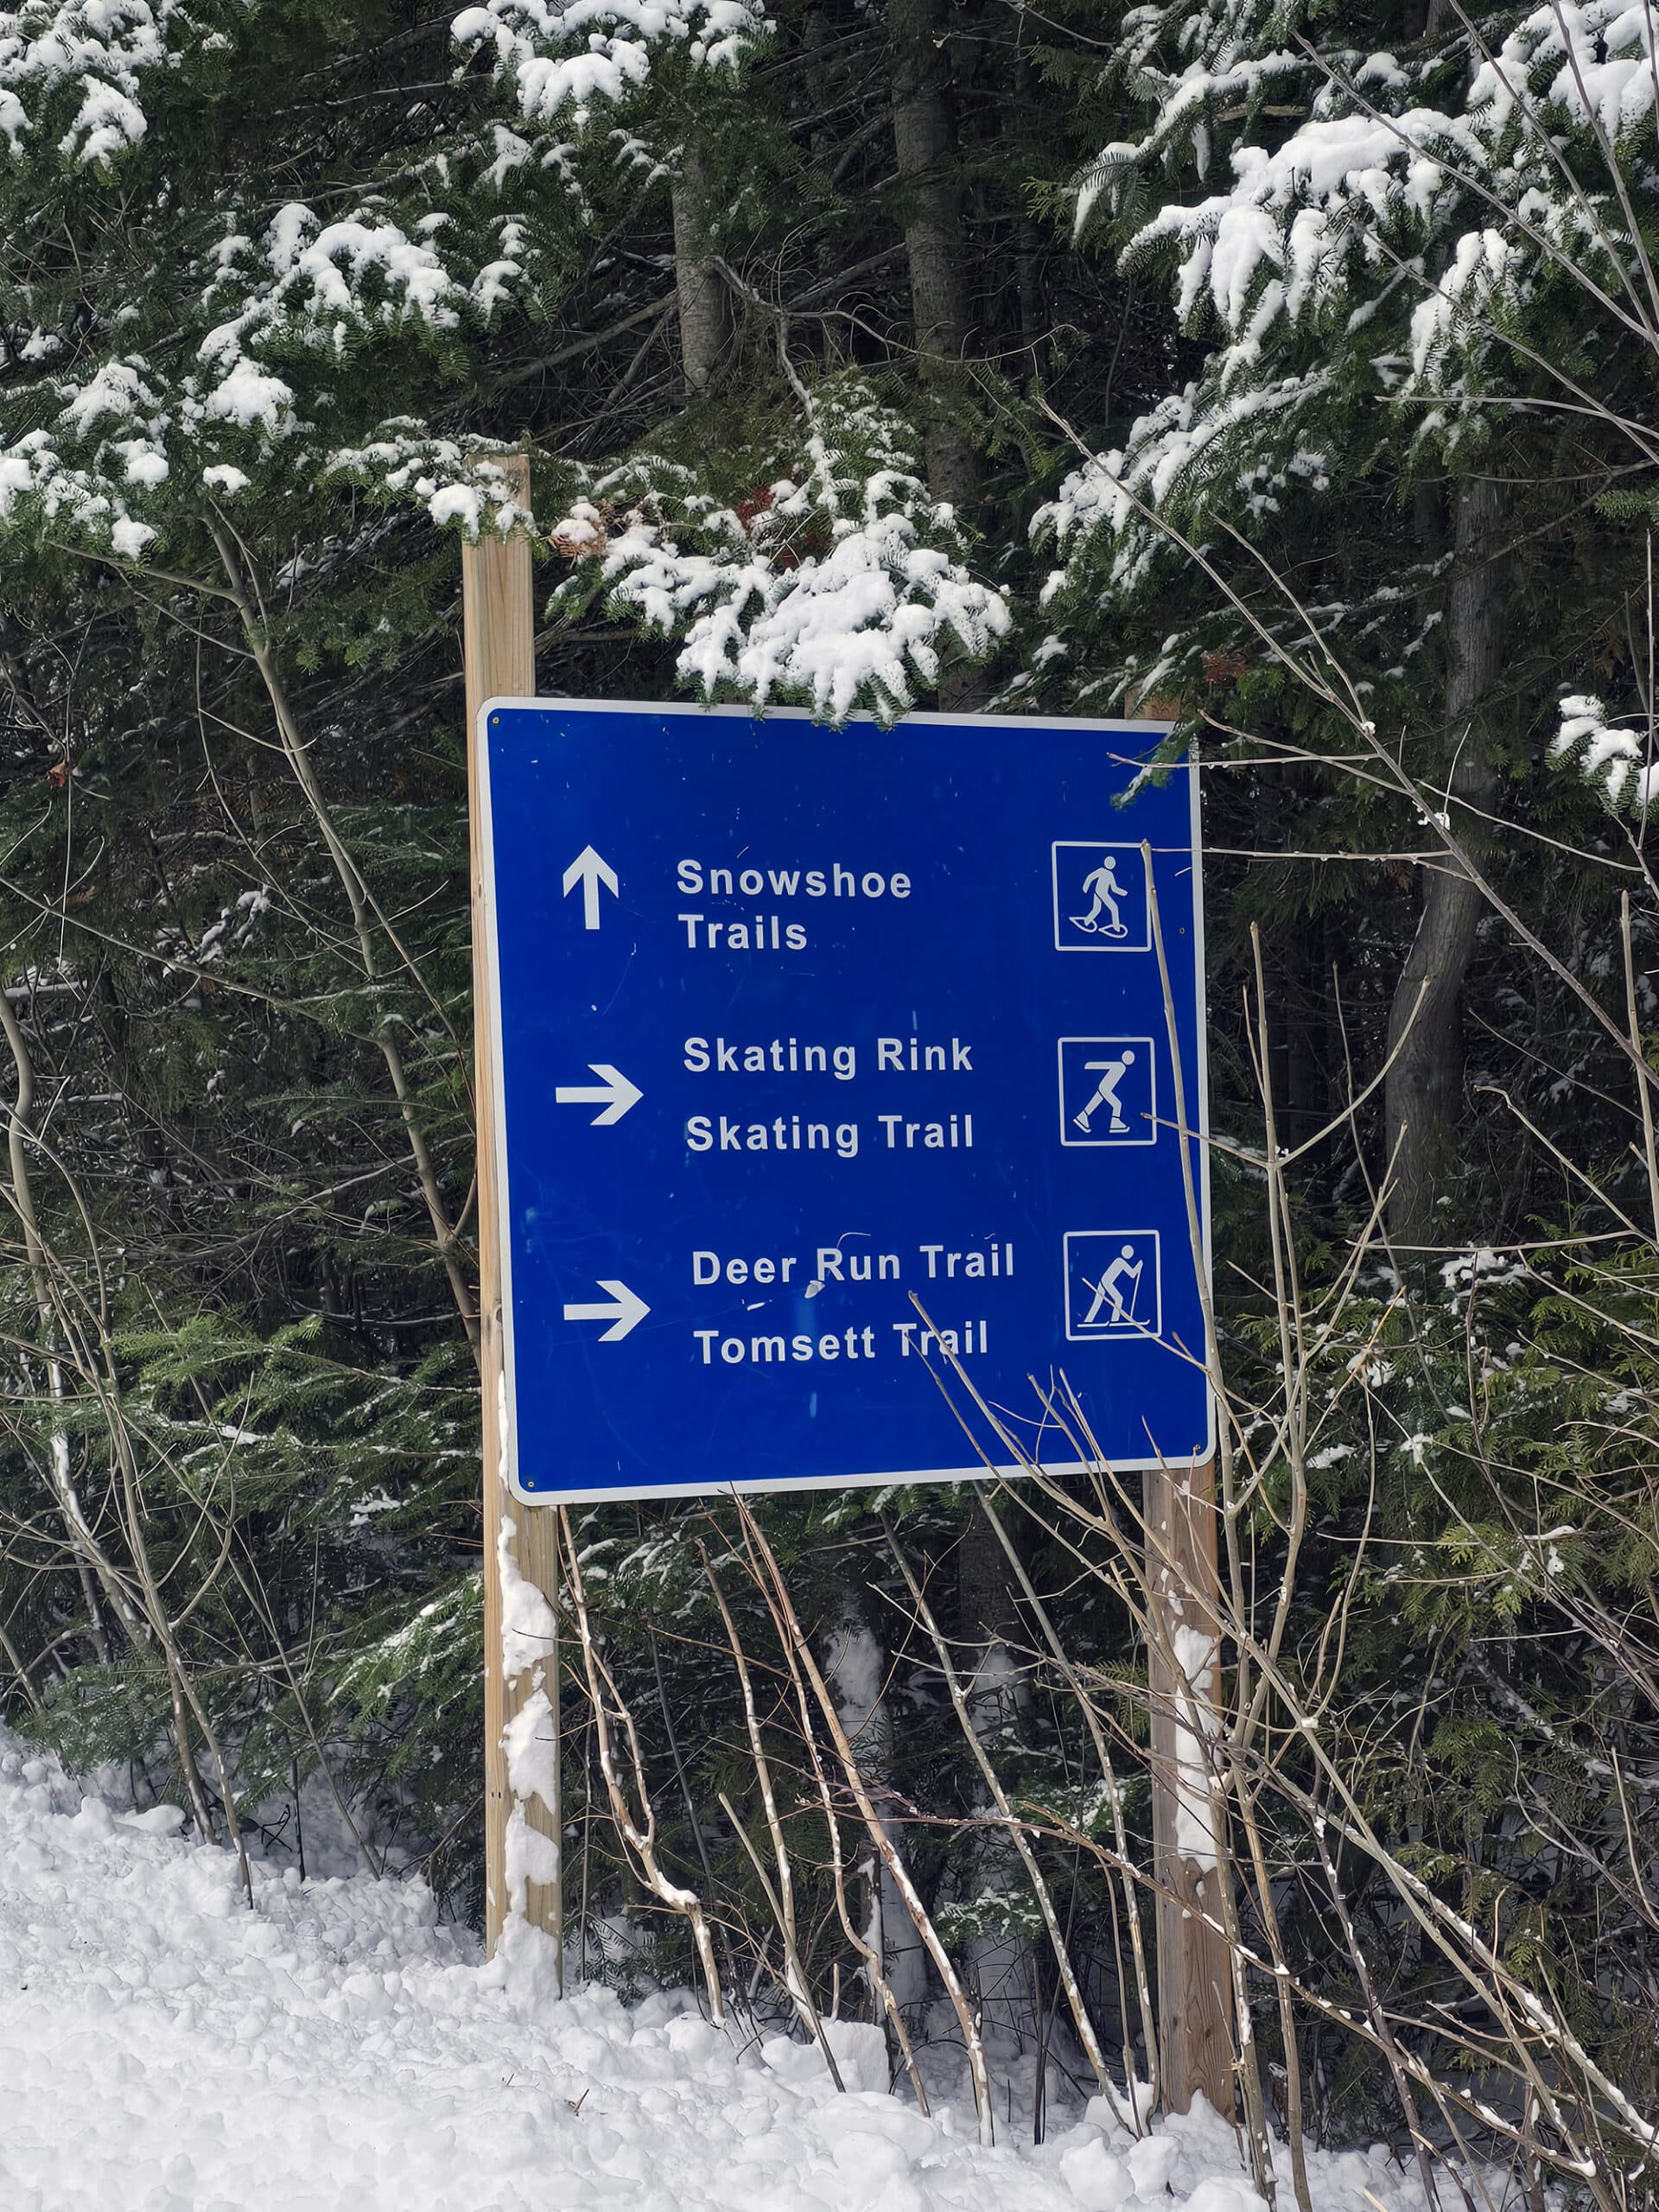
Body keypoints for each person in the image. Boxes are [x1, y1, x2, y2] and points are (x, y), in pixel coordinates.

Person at [1073, 1048, 1135, 1135]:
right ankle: (1115, 1123)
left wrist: (1089, 1065)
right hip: (1105, 1088)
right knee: (1117, 1104)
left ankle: (1082, 1117)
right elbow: (1105, 1065)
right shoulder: (1120, 1066)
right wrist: (1089, 1065)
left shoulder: (1122, 1068)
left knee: (1094, 1102)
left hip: (1105, 1088)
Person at [1083, 1243, 1143, 1328]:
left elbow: (1132, 1274)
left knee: (1097, 1303)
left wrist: (1138, 1267)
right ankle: (1115, 1321)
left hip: (1103, 1281)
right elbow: (1132, 1274)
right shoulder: (1120, 1261)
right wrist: (1138, 1266)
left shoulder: (1120, 1261)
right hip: (1106, 1282)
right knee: (1119, 1299)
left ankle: (1087, 1321)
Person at [1070, 853, 1130, 938]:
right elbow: (1091, 877)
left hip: (1098, 892)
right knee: (1114, 908)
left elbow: (1114, 888)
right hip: (1101, 893)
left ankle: (1087, 921)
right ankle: (1116, 929)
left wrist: (1123, 893)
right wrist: (1085, 887)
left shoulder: (1110, 875)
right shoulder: (1101, 871)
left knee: (1097, 909)